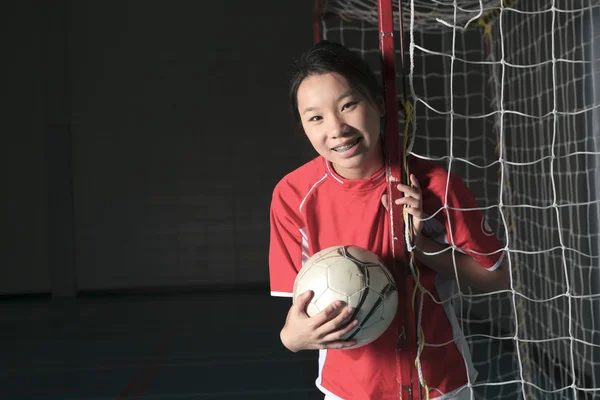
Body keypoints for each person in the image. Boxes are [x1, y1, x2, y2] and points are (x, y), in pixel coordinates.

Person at [268, 40, 510, 400]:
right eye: (316, 117)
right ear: (303, 126)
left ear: (379, 105)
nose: (337, 128)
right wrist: (292, 338)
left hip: (439, 382)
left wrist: (423, 247)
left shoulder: (433, 184)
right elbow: (297, 313)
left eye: (348, 105)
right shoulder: (292, 195)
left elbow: (496, 276)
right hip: (348, 389)